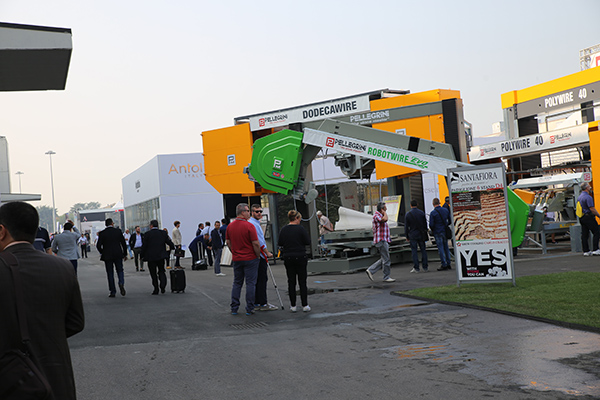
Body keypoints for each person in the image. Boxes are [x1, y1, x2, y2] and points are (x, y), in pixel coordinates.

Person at [0, 201, 84, 400]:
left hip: (12, 382)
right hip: (56, 379)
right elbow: (76, 323)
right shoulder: (63, 267)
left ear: (2, 231)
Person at [226, 203, 260, 315]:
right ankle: (249, 308)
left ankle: (234, 307)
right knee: (250, 283)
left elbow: (228, 242)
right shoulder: (249, 226)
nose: (249, 213)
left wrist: (234, 252)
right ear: (242, 212)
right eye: (248, 211)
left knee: (237, 283)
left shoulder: (230, 226)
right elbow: (255, 243)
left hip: (237, 258)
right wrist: (257, 255)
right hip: (250, 258)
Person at [278, 209, 311, 312]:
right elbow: (307, 241)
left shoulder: (284, 229)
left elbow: (280, 242)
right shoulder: (301, 229)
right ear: (296, 218)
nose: (300, 220)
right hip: (300, 256)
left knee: (291, 281)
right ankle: (305, 305)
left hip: (288, 257)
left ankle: (293, 306)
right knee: (302, 281)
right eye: (299, 218)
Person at [249, 204, 277, 311]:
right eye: (257, 211)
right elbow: (259, 241)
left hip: (255, 255)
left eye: (260, 211)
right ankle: (262, 303)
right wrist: (266, 252)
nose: (259, 213)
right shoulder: (254, 224)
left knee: (257, 279)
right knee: (262, 279)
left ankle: (257, 302)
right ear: (252, 212)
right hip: (259, 255)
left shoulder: (254, 223)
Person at [141, 220, 175, 295]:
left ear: (151, 226)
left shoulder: (147, 234)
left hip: (151, 257)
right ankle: (163, 285)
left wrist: (142, 255)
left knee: (153, 273)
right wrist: (173, 247)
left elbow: (144, 246)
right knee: (161, 270)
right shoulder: (163, 233)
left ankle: (156, 288)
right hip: (161, 256)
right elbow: (169, 242)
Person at [97, 218, 128, 297]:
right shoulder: (118, 231)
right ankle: (121, 282)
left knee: (110, 273)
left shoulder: (102, 233)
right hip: (118, 254)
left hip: (107, 255)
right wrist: (124, 254)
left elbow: (98, 245)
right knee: (120, 270)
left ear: (106, 225)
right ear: (112, 223)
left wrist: (102, 252)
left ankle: (112, 291)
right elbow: (123, 243)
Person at [366, 202, 395, 283]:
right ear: (382, 209)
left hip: (383, 239)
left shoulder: (379, 215)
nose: (386, 208)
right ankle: (386, 277)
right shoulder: (377, 215)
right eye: (385, 207)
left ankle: (371, 270)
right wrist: (384, 213)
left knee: (384, 258)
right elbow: (384, 220)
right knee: (386, 259)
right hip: (381, 240)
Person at [405, 200, 428, 273]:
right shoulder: (421, 213)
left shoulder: (408, 214)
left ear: (411, 205)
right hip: (421, 234)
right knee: (423, 250)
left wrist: (407, 236)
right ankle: (425, 266)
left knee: (414, 251)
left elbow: (406, 227)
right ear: (417, 204)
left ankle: (416, 267)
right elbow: (425, 224)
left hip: (413, 234)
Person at [577, 182, 600, 256]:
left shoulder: (579, 197)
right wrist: (598, 215)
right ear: (587, 188)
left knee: (585, 234)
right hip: (588, 217)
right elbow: (592, 208)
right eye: (589, 186)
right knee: (596, 232)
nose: (590, 187)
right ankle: (595, 249)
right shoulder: (588, 197)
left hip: (582, 217)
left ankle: (586, 251)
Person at [430, 197, 452, 271]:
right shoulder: (445, 210)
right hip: (444, 231)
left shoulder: (433, 213)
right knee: (446, 247)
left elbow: (431, 224)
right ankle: (448, 263)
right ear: (439, 203)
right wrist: (446, 225)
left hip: (437, 231)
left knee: (441, 248)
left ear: (433, 204)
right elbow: (450, 220)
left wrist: (433, 229)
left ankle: (444, 264)